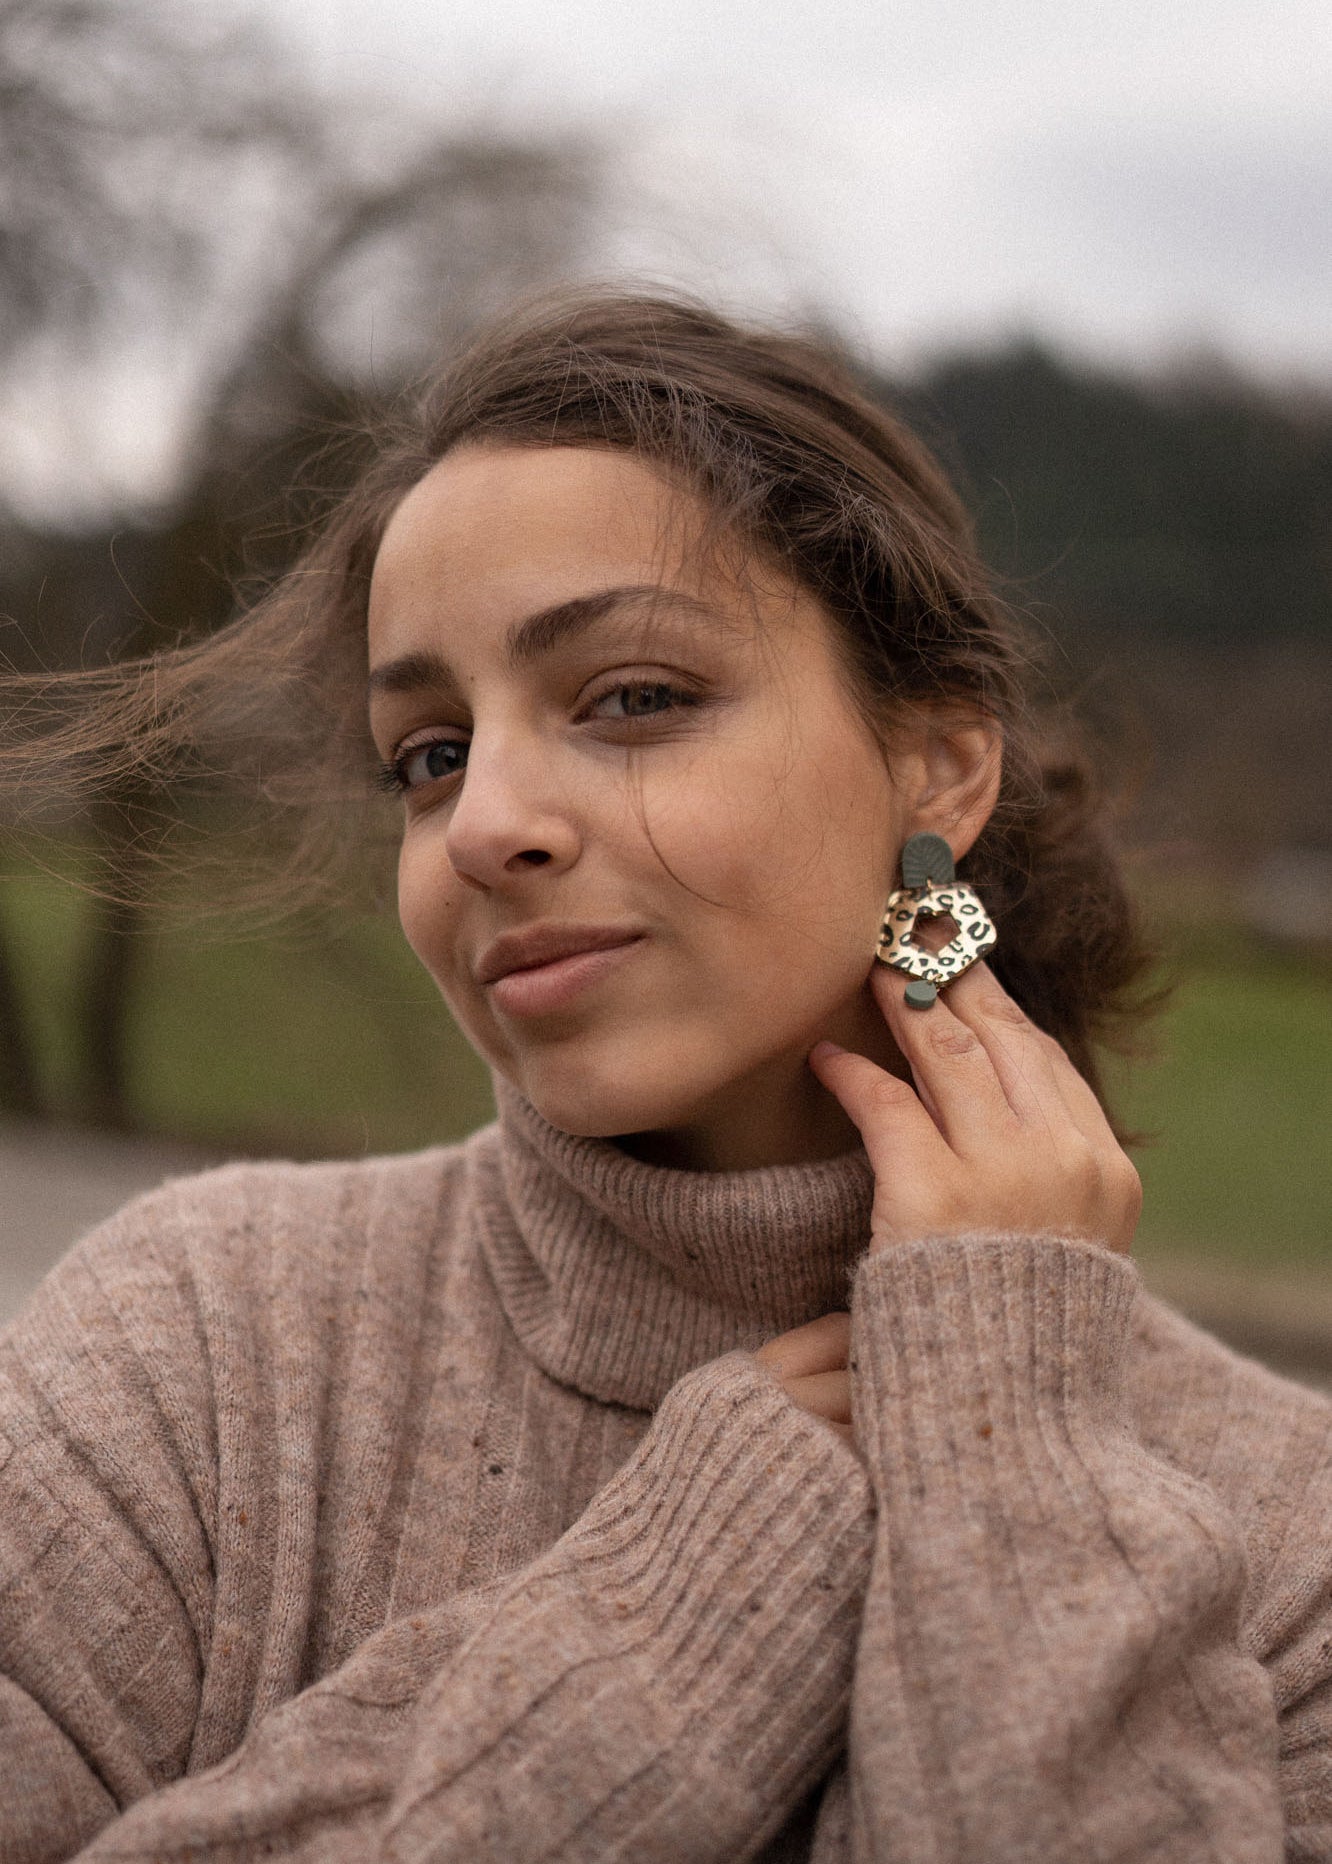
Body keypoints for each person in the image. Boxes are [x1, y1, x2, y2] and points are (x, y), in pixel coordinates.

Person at [1, 286, 1329, 1864]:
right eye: (428, 753)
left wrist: (1014, 1444)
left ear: (937, 769)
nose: (486, 821)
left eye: (634, 697)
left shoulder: (1290, 1540)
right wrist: (672, 1625)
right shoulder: (196, 1350)